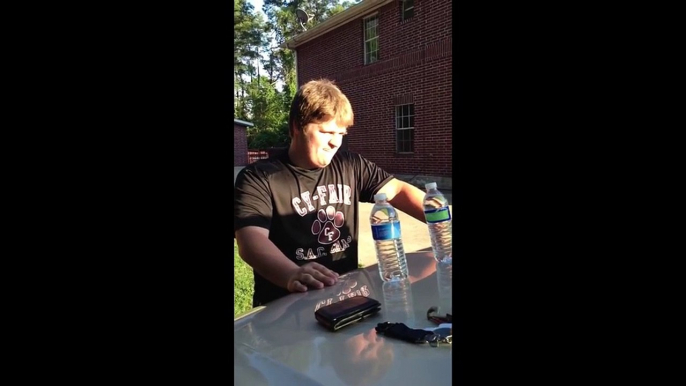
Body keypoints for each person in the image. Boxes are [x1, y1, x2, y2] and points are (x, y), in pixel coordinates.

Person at [234, 79, 428, 307]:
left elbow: (397, 190)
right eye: (327, 132)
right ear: (297, 126)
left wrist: (443, 221)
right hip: (285, 310)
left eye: (341, 133)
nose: (335, 142)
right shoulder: (258, 177)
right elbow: (250, 240)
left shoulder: (351, 165)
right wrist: (291, 274)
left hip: (345, 302)